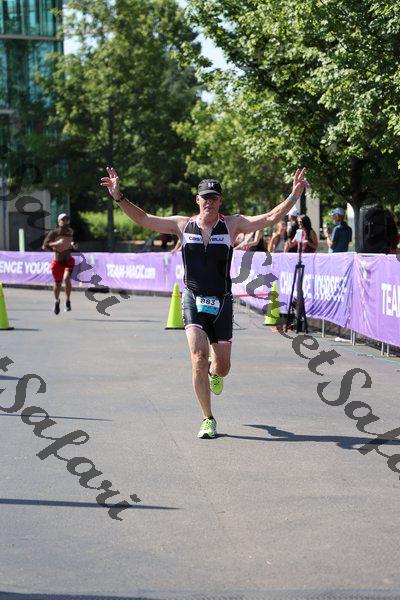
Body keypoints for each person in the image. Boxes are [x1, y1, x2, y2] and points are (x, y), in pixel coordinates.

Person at [100, 167, 309, 439]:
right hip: (193, 298)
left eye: (213, 197)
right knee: (198, 357)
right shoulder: (182, 225)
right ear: (197, 200)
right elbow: (144, 219)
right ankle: (208, 418)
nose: (209, 201)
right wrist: (119, 197)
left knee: (222, 367)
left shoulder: (232, 225)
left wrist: (293, 197)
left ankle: (215, 372)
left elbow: (270, 217)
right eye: (204, 197)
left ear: (220, 201)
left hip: (222, 301)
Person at [42, 213, 77, 314]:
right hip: (58, 262)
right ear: (58, 222)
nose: (65, 221)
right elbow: (44, 245)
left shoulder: (70, 231)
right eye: (63, 220)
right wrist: (56, 244)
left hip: (68, 260)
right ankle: (57, 301)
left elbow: (71, 241)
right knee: (58, 284)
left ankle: (68, 301)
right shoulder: (54, 232)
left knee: (66, 279)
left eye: (67, 220)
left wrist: (73, 244)